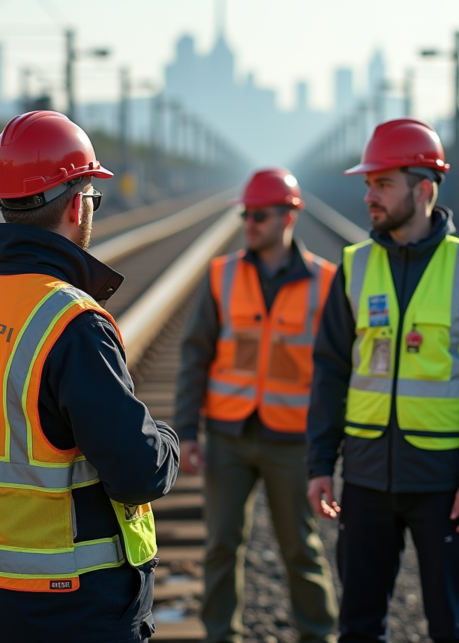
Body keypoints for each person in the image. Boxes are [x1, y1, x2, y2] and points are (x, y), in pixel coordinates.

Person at [0, 110, 179, 643]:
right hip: (76, 607)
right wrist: (167, 442)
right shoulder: (70, 323)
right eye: (93, 199)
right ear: (79, 202)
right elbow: (137, 472)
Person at [306, 119, 459, 643]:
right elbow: (330, 373)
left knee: (450, 626)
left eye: (382, 184)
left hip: (441, 483)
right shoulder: (354, 267)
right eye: (368, 184)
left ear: (422, 189)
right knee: (359, 626)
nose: (369, 196)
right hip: (366, 478)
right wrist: (320, 465)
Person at [175, 168, 339, 643]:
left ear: (289, 216)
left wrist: (330, 444)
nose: (249, 223)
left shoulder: (327, 283)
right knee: (221, 545)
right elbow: (195, 354)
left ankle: (318, 635)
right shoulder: (223, 276)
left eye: (259, 215)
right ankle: (220, 635)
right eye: (246, 214)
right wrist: (187, 430)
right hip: (228, 436)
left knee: (300, 549)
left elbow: (337, 372)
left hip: (292, 441)